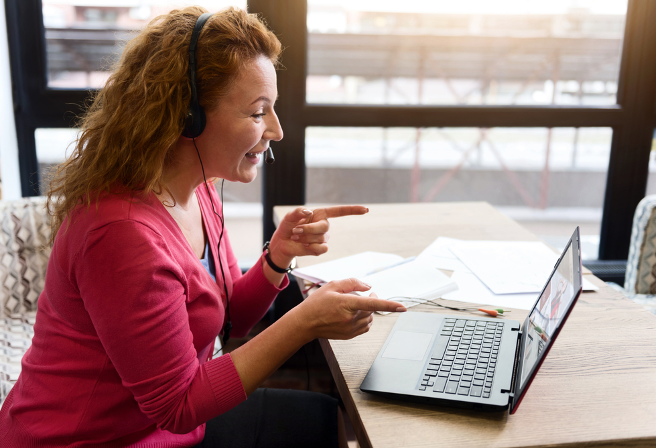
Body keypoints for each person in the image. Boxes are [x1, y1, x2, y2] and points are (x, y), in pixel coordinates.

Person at [0, 6, 406, 447]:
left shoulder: (200, 188)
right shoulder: (121, 235)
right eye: (258, 112)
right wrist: (304, 322)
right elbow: (177, 407)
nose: (277, 130)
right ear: (187, 115)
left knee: (321, 421)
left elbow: (231, 322)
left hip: (159, 429)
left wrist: (277, 256)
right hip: (89, 439)